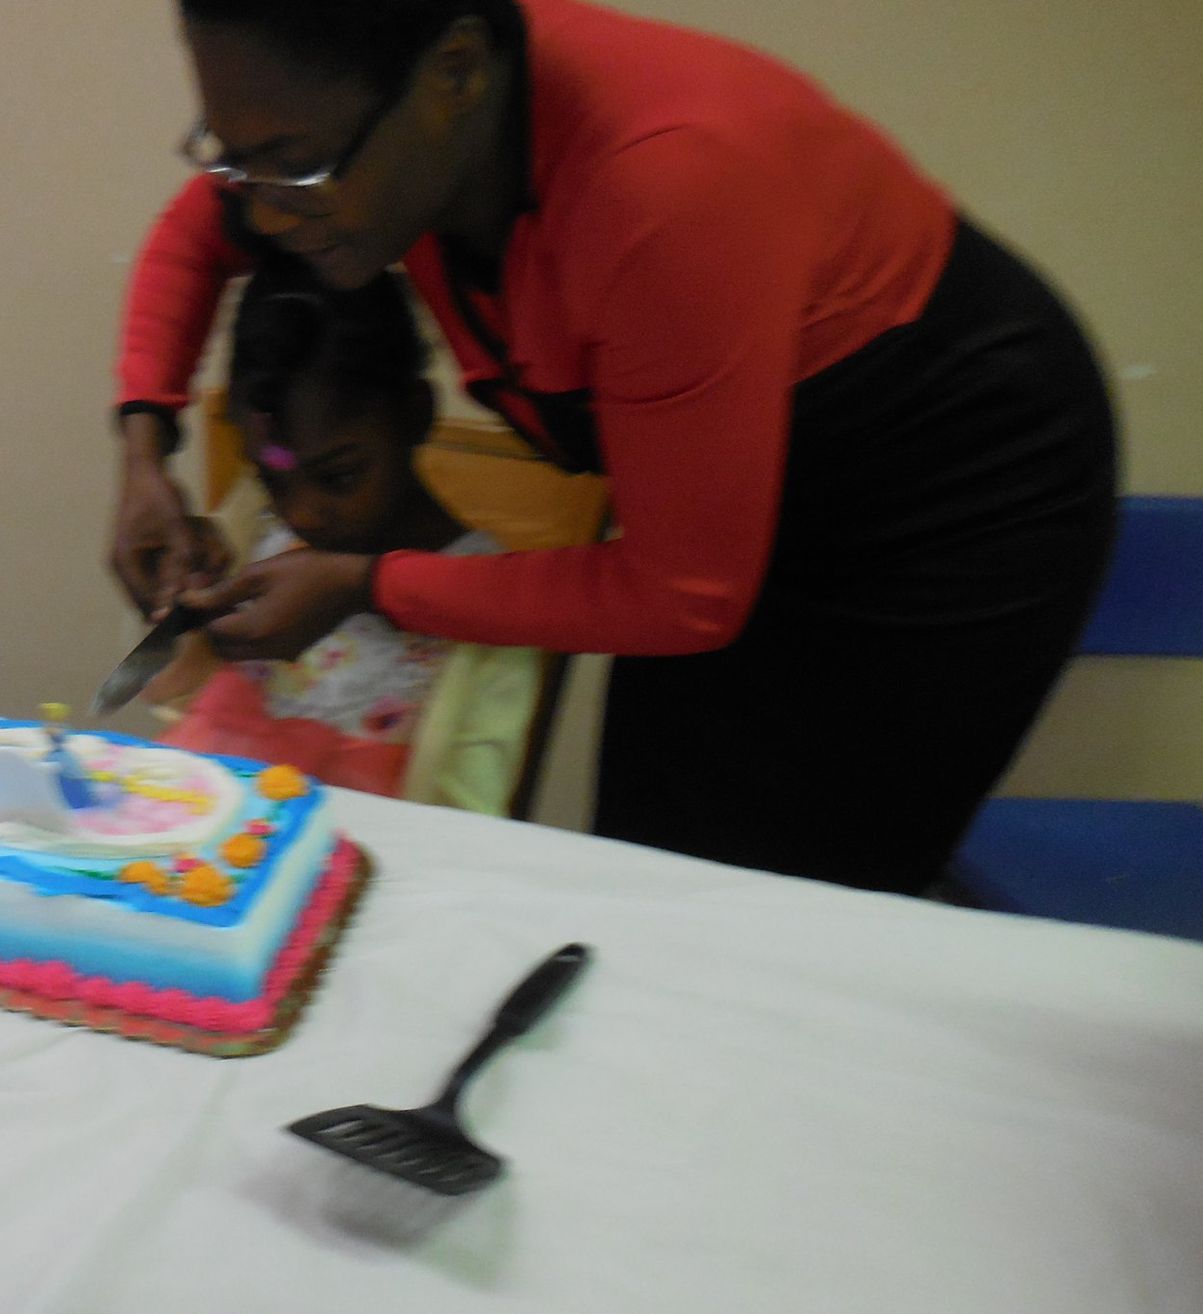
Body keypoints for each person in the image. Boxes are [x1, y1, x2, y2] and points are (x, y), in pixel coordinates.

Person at [108, 0, 1117, 894]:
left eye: (296, 163)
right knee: (654, 868)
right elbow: (202, 236)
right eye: (230, 153)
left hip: (948, 488)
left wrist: (367, 583)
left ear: (454, 74)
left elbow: (682, 596)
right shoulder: (380, 123)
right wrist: (144, 449)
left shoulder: (663, 192)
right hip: (732, 505)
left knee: (803, 907)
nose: (267, 206)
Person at [152, 255, 545, 809]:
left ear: (414, 414)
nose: (303, 514)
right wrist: (189, 619)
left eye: (338, 476)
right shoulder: (254, 535)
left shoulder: (490, 613)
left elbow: (471, 832)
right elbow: (181, 721)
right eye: (273, 481)